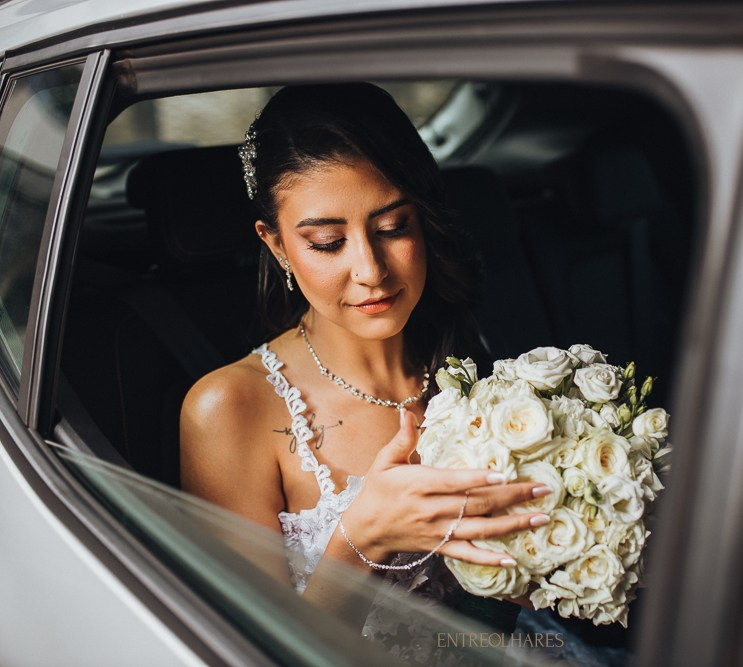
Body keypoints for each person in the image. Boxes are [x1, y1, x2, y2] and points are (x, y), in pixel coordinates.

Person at [178, 84, 551, 650]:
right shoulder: (228, 409)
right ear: (277, 246)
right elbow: (255, 653)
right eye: (328, 242)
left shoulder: (478, 370)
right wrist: (362, 538)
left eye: (393, 228)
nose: (371, 270)